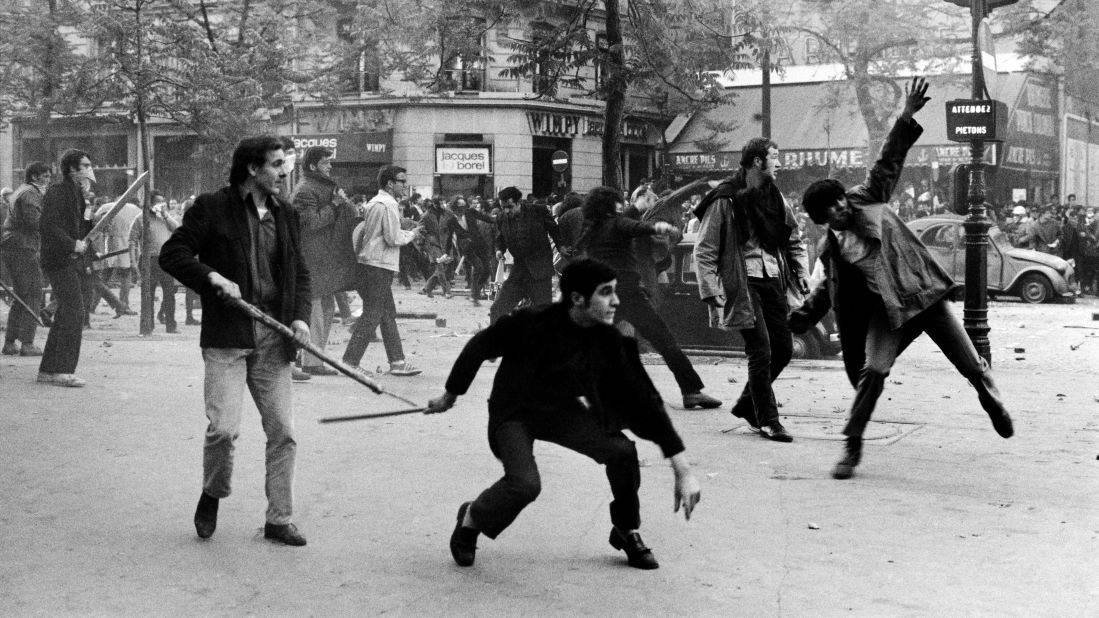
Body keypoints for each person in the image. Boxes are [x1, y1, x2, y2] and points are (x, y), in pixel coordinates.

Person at [789, 77, 1013, 480]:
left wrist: (906, 116)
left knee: (971, 366)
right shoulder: (832, 249)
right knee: (872, 373)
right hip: (888, 313)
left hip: (923, 294)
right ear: (823, 219)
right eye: (832, 210)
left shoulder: (868, 196)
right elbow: (827, 290)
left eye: (840, 201)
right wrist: (804, 317)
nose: (841, 209)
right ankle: (852, 446)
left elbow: (887, 161)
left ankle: (990, 398)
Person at [427, 258, 702, 570]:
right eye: (606, 293)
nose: (617, 300)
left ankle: (625, 529)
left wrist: (683, 470)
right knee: (524, 485)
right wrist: (450, 395)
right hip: (515, 411)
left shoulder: (609, 340)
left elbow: (645, 402)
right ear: (577, 299)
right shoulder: (530, 322)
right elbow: (479, 346)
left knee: (622, 452)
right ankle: (471, 518)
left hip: (562, 412)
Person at [159, 136, 313, 546]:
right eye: (277, 164)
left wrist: (299, 317)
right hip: (228, 334)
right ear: (252, 168)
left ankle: (279, 519)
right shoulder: (212, 207)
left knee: (284, 432)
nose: (285, 172)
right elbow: (172, 255)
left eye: (286, 164)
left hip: (274, 336)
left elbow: (299, 274)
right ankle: (213, 493)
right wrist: (211, 276)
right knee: (224, 430)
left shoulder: (287, 214)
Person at [693, 134, 810, 442]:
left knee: (783, 349)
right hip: (742, 283)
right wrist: (710, 289)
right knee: (761, 349)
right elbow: (704, 249)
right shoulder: (725, 199)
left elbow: (792, 236)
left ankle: (747, 403)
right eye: (775, 156)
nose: (780, 163)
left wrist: (801, 271)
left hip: (772, 278)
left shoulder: (776, 197)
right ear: (758, 161)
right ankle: (768, 419)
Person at [576, 187, 721, 410]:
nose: (621, 205)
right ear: (612, 205)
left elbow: (625, 222)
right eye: (619, 203)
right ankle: (691, 391)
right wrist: (658, 226)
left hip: (602, 295)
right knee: (664, 341)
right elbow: (633, 226)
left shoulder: (593, 230)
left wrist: (639, 207)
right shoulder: (617, 223)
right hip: (628, 293)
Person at [341, 165, 421, 376]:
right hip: (379, 265)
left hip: (370, 264)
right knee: (374, 314)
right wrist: (412, 234)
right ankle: (350, 361)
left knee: (386, 314)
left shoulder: (375, 203)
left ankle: (397, 361)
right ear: (390, 184)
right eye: (401, 181)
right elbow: (393, 238)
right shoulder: (388, 204)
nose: (405, 185)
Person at [291, 146, 359, 377]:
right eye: (325, 162)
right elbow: (311, 224)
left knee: (326, 307)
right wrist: (335, 205)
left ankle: (312, 356)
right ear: (312, 166)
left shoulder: (323, 187)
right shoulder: (305, 191)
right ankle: (311, 360)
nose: (330, 166)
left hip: (326, 256)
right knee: (316, 310)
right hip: (312, 258)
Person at [37, 149, 99, 387]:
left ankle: (49, 370)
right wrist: (72, 243)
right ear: (71, 169)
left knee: (66, 312)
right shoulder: (57, 192)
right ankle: (62, 370)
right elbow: (49, 226)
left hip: (71, 259)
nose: (88, 169)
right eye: (84, 165)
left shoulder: (78, 194)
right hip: (58, 259)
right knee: (74, 311)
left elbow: (80, 227)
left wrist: (93, 226)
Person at [489, 186, 564, 323]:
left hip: (540, 271)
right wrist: (499, 250)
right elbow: (500, 237)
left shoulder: (537, 211)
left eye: (510, 207)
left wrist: (562, 248)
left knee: (543, 315)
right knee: (497, 309)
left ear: (519, 202)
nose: (506, 211)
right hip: (518, 271)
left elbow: (554, 230)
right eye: (503, 207)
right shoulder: (501, 218)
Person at [1, 162, 52, 356]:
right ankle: (28, 343)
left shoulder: (21, 191)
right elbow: (35, 221)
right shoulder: (31, 193)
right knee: (33, 293)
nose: (48, 180)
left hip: (14, 246)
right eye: (45, 177)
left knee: (21, 295)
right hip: (23, 247)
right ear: (34, 177)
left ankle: (10, 342)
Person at [137, 191, 182, 333]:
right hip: (149, 260)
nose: (160, 204)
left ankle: (170, 325)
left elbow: (177, 229)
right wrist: (134, 262)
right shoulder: (142, 218)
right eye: (157, 202)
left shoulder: (165, 218)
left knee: (169, 294)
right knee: (148, 295)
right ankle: (148, 325)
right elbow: (133, 239)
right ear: (150, 203)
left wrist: (165, 215)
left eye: (163, 201)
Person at [444, 195, 495, 306]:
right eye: (460, 206)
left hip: (480, 245)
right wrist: (446, 253)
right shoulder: (451, 221)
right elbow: (449, 238)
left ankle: (474, 293)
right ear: (455, 207)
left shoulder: (470, 212)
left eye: (464, 205)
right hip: (467, 248)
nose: (463, 208)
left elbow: (485, 218)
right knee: (479, 267)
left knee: (487, 271)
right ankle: (474, 295)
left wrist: (497, 219)